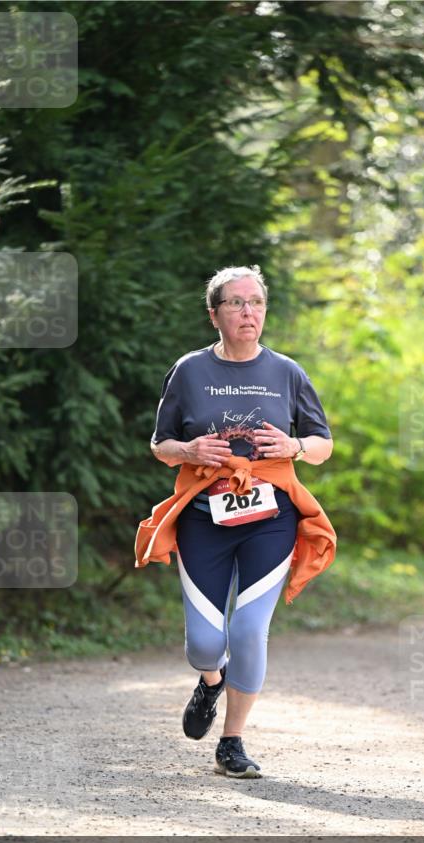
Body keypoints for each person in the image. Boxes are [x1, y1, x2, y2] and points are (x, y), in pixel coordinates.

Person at [138, 265, 335, 778]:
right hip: (204, 519)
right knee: (205, 645)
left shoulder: (286, 372)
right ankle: (211, 681)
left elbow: (323, 445)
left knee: (248, 629)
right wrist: (187, 450)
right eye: (236, 303)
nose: (249, 312)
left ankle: (232, 742)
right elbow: (160, 445)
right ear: (214, 314)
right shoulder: (189, 371)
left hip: (271, 518)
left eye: (257, 302)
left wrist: (294, 445)